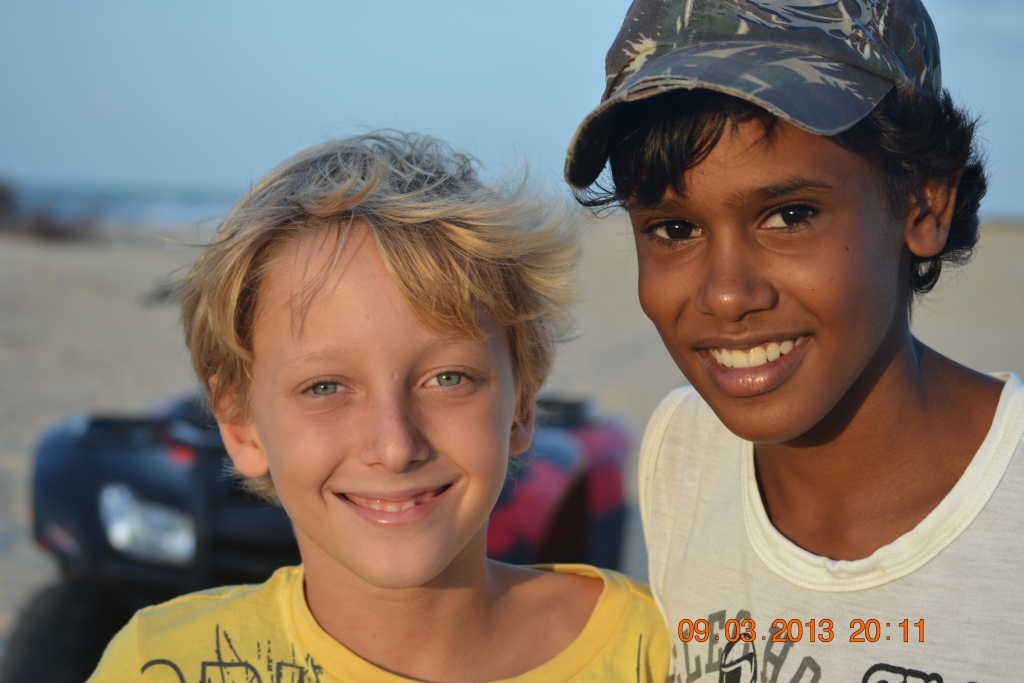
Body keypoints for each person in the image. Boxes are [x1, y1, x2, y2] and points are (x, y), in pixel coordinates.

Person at [87, 132, 670, 682]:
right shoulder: (161, 664)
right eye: (325, 388)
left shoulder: (663, 649)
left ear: (521, 404)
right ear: (241, 425)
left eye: (448, 378)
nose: (394, 447)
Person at [565, 0, 1022, 679]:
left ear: (926, 203)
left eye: (790, 215)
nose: (726, 293)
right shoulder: (683, 452)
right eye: (674, 229)